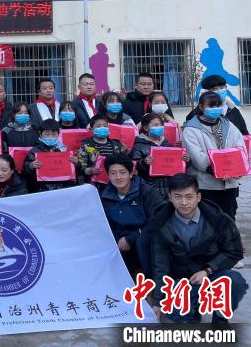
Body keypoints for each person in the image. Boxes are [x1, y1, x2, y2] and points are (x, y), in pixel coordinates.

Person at [150, 174, 247, 324]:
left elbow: (234, 251)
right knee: (181, 320)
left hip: (212, 276)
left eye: (189, 197)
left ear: (198, 197)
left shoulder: (219, 220)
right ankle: (191, 313)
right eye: (178, 197)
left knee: (234, 280)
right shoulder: (161, 224)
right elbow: (160, 265)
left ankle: (220, 317)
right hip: (181, 280)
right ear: (170, 197)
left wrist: (208, 270)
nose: (184, 202)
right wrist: (158, 301)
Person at [182, 91, 245, 220]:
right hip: (207, 185)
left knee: (228, 219)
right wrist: (220, 172)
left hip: (230, 184)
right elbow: (198, 158)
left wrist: (237, 168)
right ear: (201, 107)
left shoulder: (228, 125)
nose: (215, 109)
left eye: (218, 105)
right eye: (211, 106)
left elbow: (240, 147)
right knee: (209, 221)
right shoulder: (191, 129)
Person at [99, 154, 165, 276]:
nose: (118, 177)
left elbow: (158, 220)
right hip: (119, 240)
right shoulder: (105, 195)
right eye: (113, 173)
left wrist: (131, 238)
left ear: (131, 173)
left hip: (143, 237)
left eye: (122, 172)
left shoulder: (146, 192)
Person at [131, 113, 190, 199]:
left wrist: (186, 161)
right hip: (149, 189)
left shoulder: (168, 145)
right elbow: (134, 167)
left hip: (169, 188)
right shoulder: (139, 146)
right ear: (146, 128)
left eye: (161, 125)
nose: (159, 127)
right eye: (155, 125)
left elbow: (178, 168)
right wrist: (144, 163)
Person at [23, 119, 80, 192]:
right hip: (43, 189)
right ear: (40, 133)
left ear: (58, 134)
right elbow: (24, 171)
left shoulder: (64, 150)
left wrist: (76, 163)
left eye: (54, 134)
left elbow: (77, 172)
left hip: (64, 189)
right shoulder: (35, 151)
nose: (50, 137)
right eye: (47, 134)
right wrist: (31, 166)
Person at [76, 114, 129, 185]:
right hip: (95, 183)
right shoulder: (85, 145)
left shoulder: (117, 144)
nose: (103, 128)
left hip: (116, 182)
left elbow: (124, 162)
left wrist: (127, 152)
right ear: (91, 129)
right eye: (98, 126)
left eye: (105, 126)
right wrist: (89, 170)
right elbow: (80, 167)